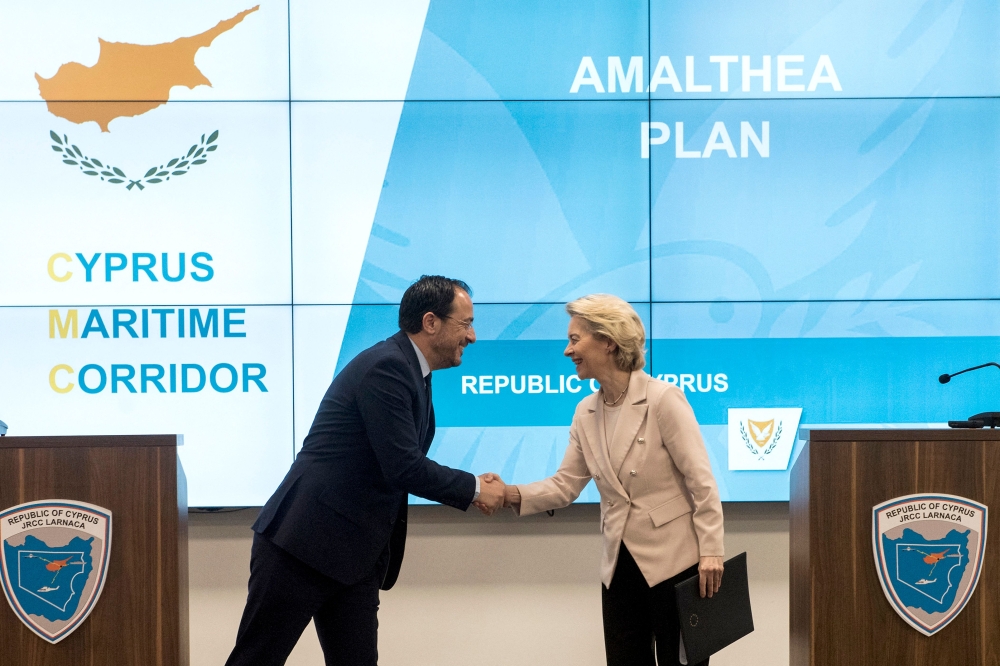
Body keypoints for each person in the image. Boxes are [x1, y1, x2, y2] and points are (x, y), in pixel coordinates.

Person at [225, 275, 506, 666]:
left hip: (353, 555)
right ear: (430, 322)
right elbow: (402, 465)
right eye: (465, 324)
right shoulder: (387, 367)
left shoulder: (412, 371)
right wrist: (474, 488)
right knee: (257, 659)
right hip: (301, 546)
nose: (472, 336)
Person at [495, 294, 725, 666]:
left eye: (575, 340)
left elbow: (702, 482)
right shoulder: (585, 411)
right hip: (619, 569)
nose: (567, 351)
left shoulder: (663, 399)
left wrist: (712, 552)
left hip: (677, 565)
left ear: (608, 340)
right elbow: (565, 485)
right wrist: (508, 494)